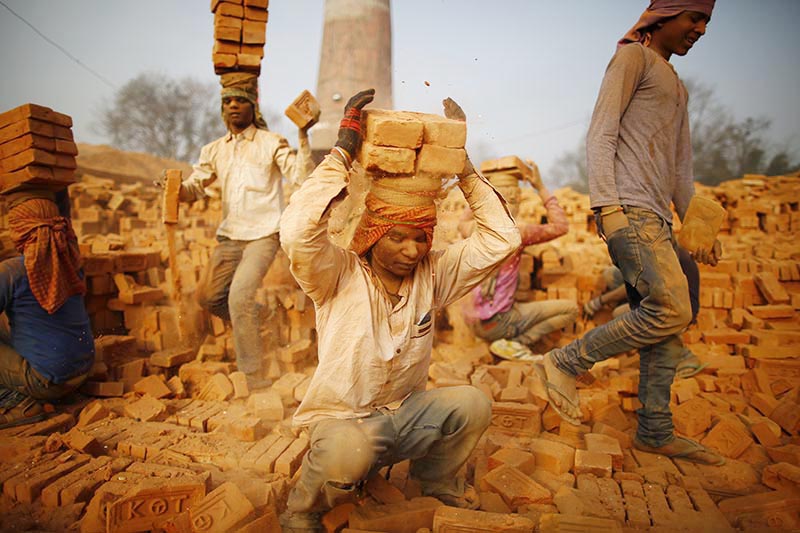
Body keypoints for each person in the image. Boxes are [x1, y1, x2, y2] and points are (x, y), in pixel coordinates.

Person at [278, 90, 521, 532]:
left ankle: (435, 485)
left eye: (422, 238)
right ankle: (302, 510)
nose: (413, 250)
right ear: (373, 234)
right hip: (342, 423)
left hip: (400, 418)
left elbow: (503, 240)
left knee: (471, 404)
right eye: (399, 238)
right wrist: (344, 151)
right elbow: (296, 231)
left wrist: (460, 166)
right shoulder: (336, 274)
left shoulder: (433, 273)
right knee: (346, 451)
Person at [541, 0, 725, 465]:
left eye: (706, 22)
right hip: (630, 210)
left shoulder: (677, 85)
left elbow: (681, 170)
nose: (700, 30)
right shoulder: (632, 58)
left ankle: (655, 431)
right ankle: (566, 361)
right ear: (665, 15)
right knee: (672, 308)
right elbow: (601, 134)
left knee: (667, 329)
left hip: (659, 218)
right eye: (694, 18)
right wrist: (608, 207)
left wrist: (696, 223)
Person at [173, 73, 314, 389]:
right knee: (208, 298)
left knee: (238, 297)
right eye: (227, 102)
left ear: (253, 107)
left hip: (264, 235)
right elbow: (197, 186)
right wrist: (177, 190)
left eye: (240, 101)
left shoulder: (271, 143)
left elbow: (301, 176)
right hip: (230, 236)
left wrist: (303, 134)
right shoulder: (213, 150)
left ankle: (254, 379)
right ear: (222, 110)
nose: (233, 106)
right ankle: (260, 316)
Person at [459, 164, 578, 352]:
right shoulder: (518, 231)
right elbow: (561, 226)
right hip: (499, 323)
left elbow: (462, 221)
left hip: (472, 322)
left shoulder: (474, 228)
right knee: (570, 309)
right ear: (515, 199)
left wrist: (482, 185)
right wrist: (540, 187)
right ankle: (518, 343)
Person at [0, 197, 94, 429]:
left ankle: (17, 404)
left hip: (47, 381)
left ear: (22, 230)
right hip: (83, 371)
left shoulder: (12, 271)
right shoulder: (72, 263)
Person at [584, 246, 707, 378]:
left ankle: (682, 354)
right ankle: (642, 338)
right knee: (611, 275)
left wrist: (600, 301)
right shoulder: (656, 244)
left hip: (680, 310)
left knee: (620, 315)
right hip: (664, 297)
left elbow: (635, 284)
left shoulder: (659, 254)